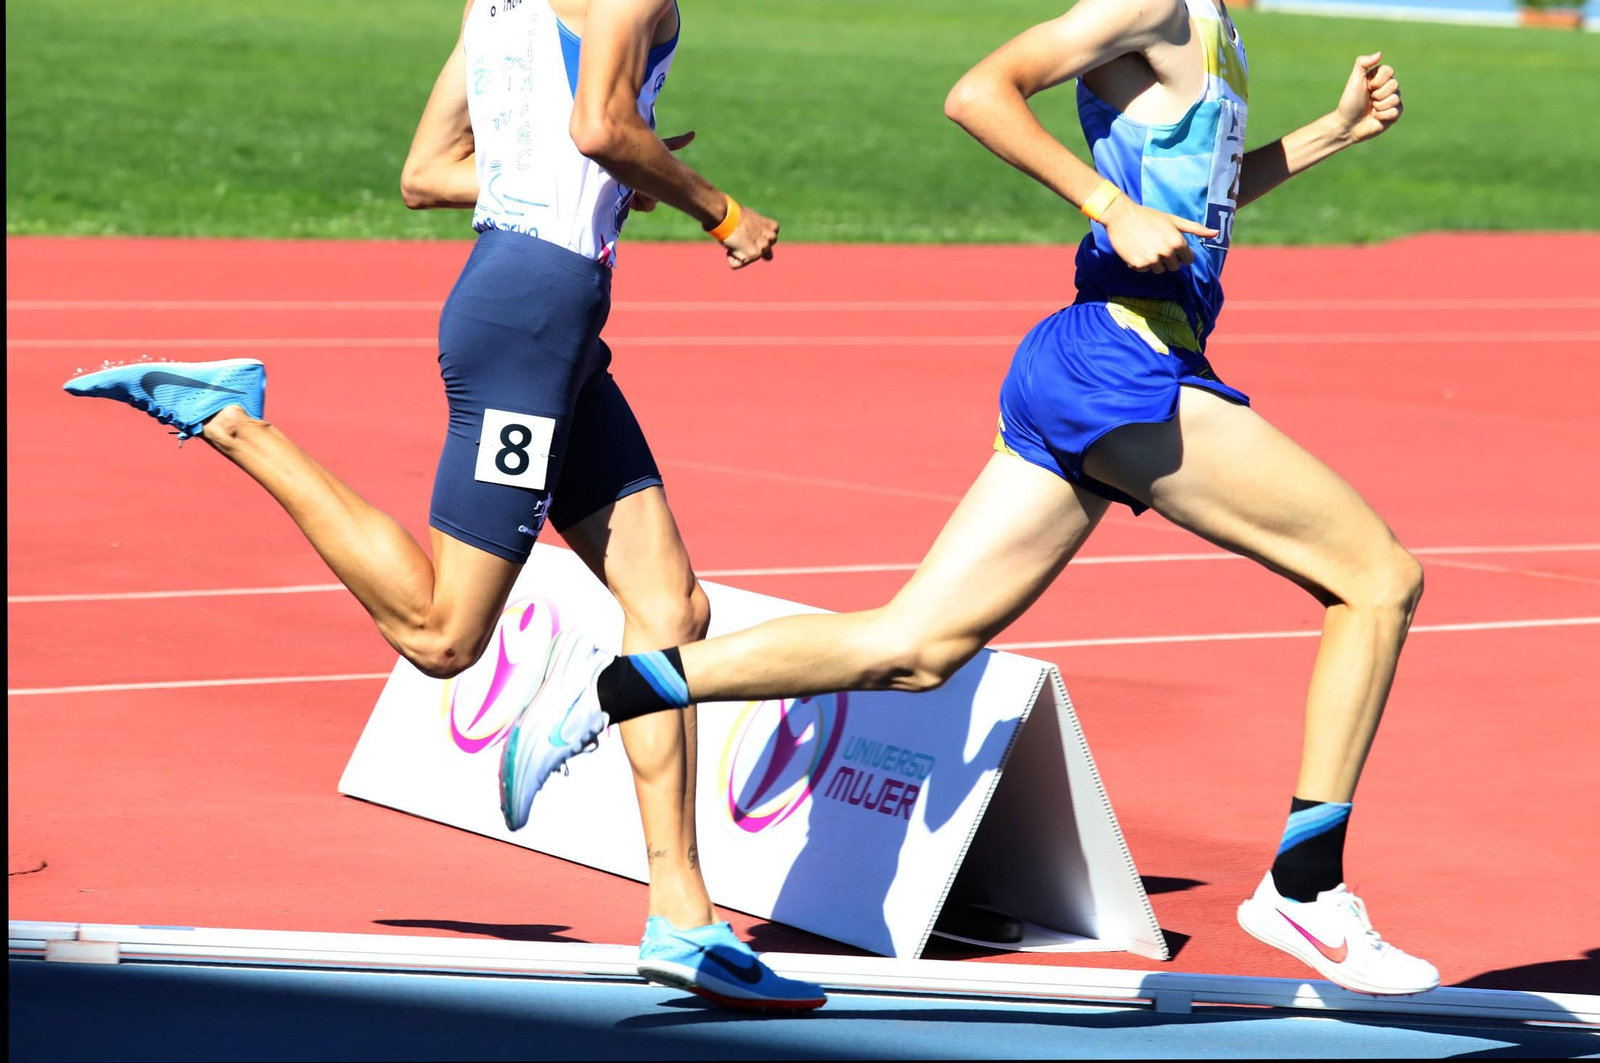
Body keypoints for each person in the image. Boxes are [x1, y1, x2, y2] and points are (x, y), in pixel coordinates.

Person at [505, 0, 1439, 997]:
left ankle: (619, 689)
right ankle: (1304, 885)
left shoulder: (1210, 28)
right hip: (1123, 360)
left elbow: (1194, 207)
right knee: (1378, 579)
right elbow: (978, 93)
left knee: (910, 648)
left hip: (1088, 366)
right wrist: (1103, 203)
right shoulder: (1151, 7)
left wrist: (1324, 136)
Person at [62, 0, 824, 1013]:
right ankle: (235, 420)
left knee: (670, 607)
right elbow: (601, 127)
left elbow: (429, 174)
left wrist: (607, 175)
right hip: (531, 330)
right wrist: (716, 207)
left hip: (539, 319)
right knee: (441, 632)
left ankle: (682, 917)